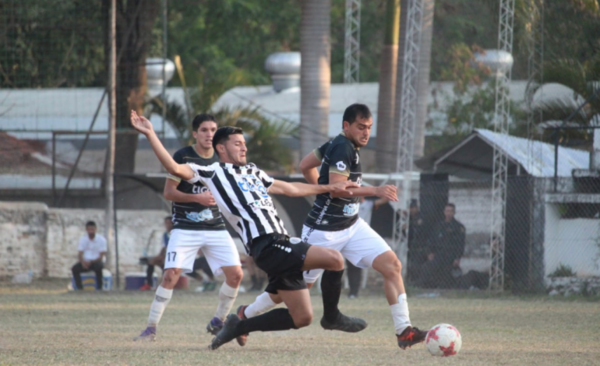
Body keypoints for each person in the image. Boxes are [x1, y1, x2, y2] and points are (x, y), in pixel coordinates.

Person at [130, 110, 360, 351]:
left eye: (244, 144)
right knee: (334, 259)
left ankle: (239, 324)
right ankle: (332, 317)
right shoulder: (210, 172)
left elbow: (290, 188)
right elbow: (174, 168)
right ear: (221, 148)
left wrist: (330, 186)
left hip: (280, 243)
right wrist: (150, 133)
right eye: (237, 144)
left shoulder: (253, 171)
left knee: (302, 318)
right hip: (267, 244)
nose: (244, 148)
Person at [239, 103, 428, 349]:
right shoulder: (341, 147)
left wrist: (320, 188)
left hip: (352, 226)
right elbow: (340, 190)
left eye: (369, 127)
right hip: (323, 231)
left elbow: (305, 165)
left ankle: (404, 331)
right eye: (361, 127)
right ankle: (246, 314)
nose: (366, 133)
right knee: (292, 289)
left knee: (392, 265)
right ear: (346, 126)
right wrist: (373, 190)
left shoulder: (338, 143)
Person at [134, 114, 244, 342]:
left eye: (213, 129)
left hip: (216, 227)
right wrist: (198, 199)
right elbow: (169, 193)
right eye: (204, 130)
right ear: (195, 133)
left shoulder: (222, 157)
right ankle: (150, 329)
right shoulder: (182, 156)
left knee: (236, 275)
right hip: (185, 227)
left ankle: (218, 321)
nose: (209, 134)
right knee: (170, 275)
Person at [346, 196, 388, 299]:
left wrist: (391, 191)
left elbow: (383, 200)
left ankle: (354, 292)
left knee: (357, 265)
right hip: (347, 238)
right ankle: (350, 291)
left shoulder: (368, 204)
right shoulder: (348, 205)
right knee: (349, 266)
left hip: (361, 239)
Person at [417, 203, 466, 289]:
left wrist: (457, 258)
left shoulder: (459, 227)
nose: (449, 213)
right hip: (438, 255)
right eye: (447, 211)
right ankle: (422, 287)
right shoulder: (438, 226)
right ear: (444, 212)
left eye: (451, 211)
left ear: (454, 212)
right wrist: (429, 253)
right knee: (427, 267)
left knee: (447, 276)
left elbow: (460, 245)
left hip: (450, 256)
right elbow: (431, 241)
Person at [71, 221, 107, 291]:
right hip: (85, 262)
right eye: (89, 229)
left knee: (98, 268)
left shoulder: (101, 240)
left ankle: (99, 288)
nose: (91, 231)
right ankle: (80, 289)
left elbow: (101, 255)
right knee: (75, 269)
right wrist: (82, 262)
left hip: (96, 261)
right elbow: (80, 253)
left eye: (92, 229)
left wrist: (91, 262)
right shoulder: (83, 239)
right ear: (86, 230)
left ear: (96, 229)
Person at [140, 216, 172, 291]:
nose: (168, 225)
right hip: (166, 255)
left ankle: (165, 284)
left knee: (164, 265)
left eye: (169, 223)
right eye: (166, 223)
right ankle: (149, 284)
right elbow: (164, 247)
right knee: (151, 262)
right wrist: (160, 255)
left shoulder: (175, 233)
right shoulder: (165, 234)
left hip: (173, 256)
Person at [405, 199, 426, 283]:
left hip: (419, 246)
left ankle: (415, 281)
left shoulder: (420, 217)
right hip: (410, 245)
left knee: (416, 265)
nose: (411, 210)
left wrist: (408, 225)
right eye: (410, 208)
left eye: (413, 208)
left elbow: (418, 227)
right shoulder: (408, 217)